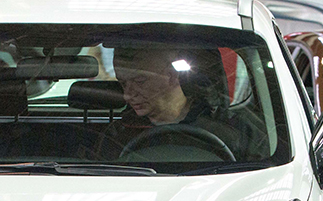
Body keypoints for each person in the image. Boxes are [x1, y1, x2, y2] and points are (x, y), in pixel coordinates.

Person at [96, 47, 261, 161]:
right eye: (123, 83)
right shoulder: (117, 134)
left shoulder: (234, 129)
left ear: (172, 76)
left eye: (140, 81)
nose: (127, 95)